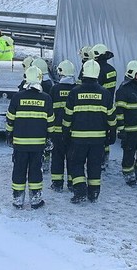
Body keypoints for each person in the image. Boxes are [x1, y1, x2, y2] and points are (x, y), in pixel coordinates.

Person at [63, 59, 115, 204]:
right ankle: (94, 193)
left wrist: (65, 132)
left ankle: (79, 191)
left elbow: (68, 115)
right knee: (94, 165)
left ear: (83, 72)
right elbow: (111, 116)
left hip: (78, 138)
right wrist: (112, 132)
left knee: (76, 163)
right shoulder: (105, 93)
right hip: (98, 139)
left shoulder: (74, 92)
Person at [6, 66, 54, 209]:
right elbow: (50, 123)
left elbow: (10, 120)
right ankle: (35, 199)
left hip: (20, 144)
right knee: (35, 170)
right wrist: (49, 138)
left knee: (19, 169)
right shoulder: (46, 99)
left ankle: (18, 199)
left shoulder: (17, 97)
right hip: (38, 144)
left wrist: (9, 135)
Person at [48, 60, 78, 192]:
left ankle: (57, 183)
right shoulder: (77, 90)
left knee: (57, 157)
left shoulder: (54, 89)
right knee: (72, 157)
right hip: (73, 131)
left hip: (57, 131)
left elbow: (49, 110)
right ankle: (72, 183)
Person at [92, 43, 118, 169]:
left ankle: (97, 159)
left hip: (95, 106)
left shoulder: (95, 69)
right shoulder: (112, 70)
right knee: (105, 132)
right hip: (108, 105)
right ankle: (105, 159)